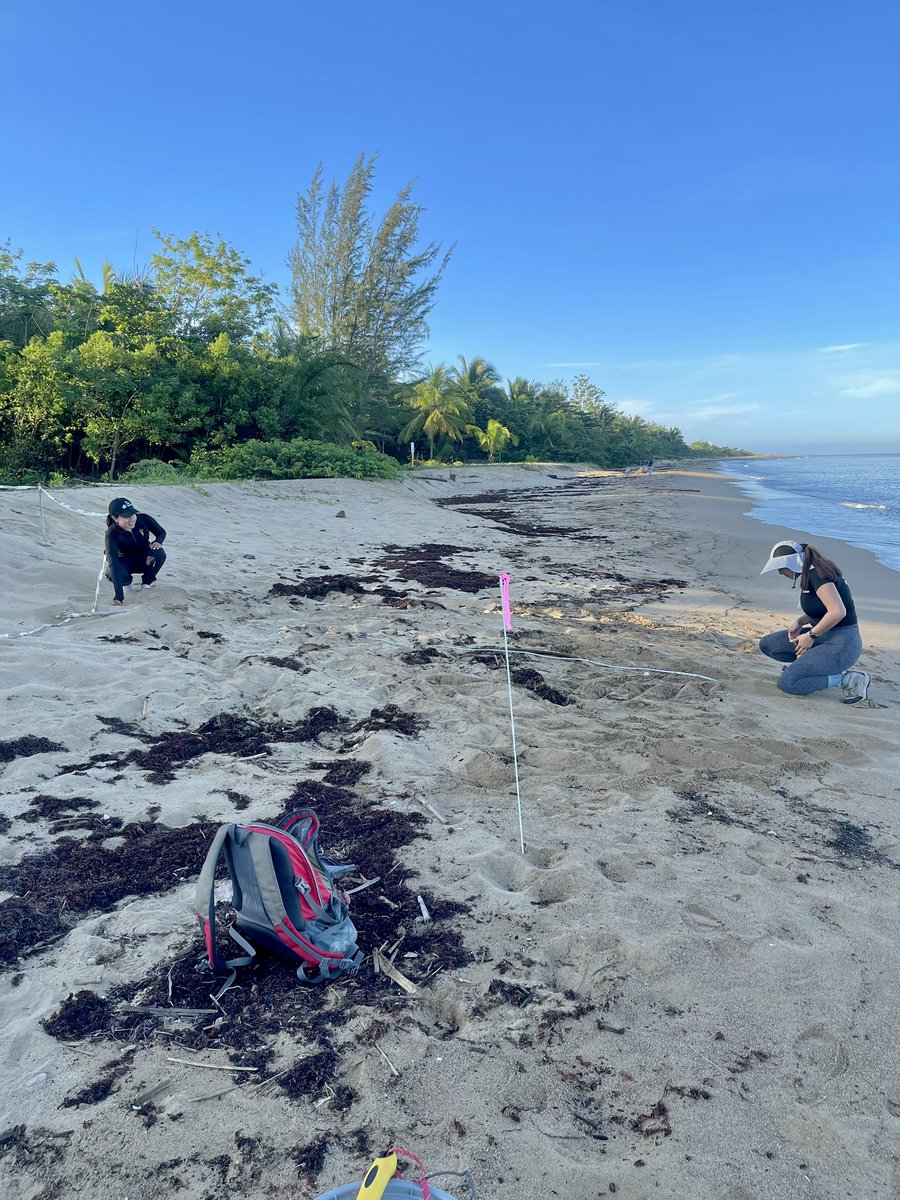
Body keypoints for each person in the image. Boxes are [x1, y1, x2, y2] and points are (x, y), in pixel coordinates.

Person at [758, 539, 869, 703]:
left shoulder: (817, 575)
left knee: (788, 683)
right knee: (769, 644)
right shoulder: (809, 575)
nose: (780, 573)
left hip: (843, 644)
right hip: (824, 636)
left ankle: (846, 679)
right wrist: (801, 622)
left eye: (781, 568)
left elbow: (838, 611)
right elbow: (822, 609)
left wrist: (810, 635)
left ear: (792, 563)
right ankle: (806, 667)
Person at [105, 497, 167, 605]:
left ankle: (147, 583)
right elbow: (113, 562)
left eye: (132, 514)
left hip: (144, 559)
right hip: (125, 563)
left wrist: (158, 541)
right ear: (115, 518)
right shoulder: (111, 533)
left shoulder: (143, 519)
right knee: (114, 566)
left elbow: (161, 532)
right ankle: (126, 585)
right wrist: (118, 595)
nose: (132, 519)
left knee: (159, 553)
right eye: (126, 516)